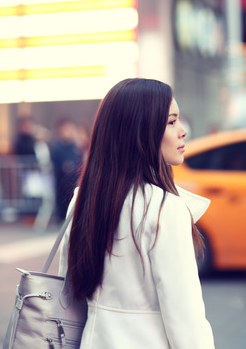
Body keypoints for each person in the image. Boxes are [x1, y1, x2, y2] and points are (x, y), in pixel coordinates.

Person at [59, 78, 215, 349]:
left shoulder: (83, 200)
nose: (182, 131)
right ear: (141, 131)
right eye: (171, 121)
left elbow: (67, 294)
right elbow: (186, 320)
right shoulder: (165, 209)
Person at [51, 118, 80, 221]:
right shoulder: (57, 147)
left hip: (73, 178)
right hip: (62, 179)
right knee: (63, 200)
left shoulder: (75, 146)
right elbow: (55, 161)